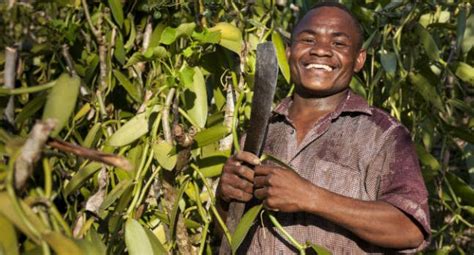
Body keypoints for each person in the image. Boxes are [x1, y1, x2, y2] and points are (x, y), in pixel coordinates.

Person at [216, 2, 431, 254]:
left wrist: (310, 197)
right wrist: (224, 198)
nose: (320, 51)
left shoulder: (382, 136)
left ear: (359, 59)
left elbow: (409, 230)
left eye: (338, 44)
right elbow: (230, 236)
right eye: (308, 40)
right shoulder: (258, 133)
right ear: (288, 52)